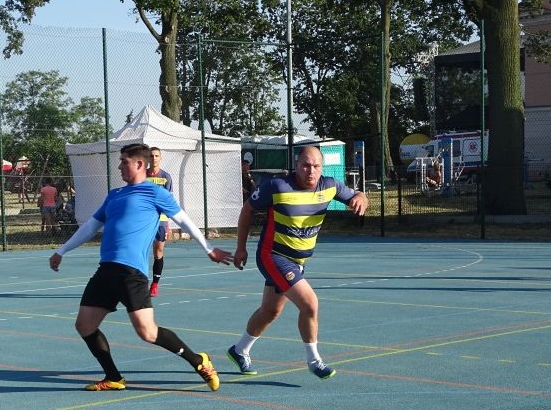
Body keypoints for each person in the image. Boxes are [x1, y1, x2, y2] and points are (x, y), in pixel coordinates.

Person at [49, 143, 233, 391]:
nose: (119, 166)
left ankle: (199, 361)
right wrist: (62, 250)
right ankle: (114, 377)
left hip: (131, 273)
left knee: (147, 332)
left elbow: (184, 220)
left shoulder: (156, 193)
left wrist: (208, 248)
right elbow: (91, 226)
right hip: (106, 271)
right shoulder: (114, 194)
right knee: (84, 325)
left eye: (124, 161)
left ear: (139, 164)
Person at [226, 146, 368, 379]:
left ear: (322, 168)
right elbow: (248, 210)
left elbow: (357, 195)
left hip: (297, 260)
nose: (311, 171)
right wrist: (240, 247)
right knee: (310, 304)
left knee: (270, 311)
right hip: (272, 255)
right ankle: (314, 361)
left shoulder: (330, 186)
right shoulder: (277, 186)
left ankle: (240, 350)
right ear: (296, 165)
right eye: (306, 165)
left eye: (316, 166)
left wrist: (361, 197)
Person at [145, 147, 173, 296]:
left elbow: (169, 202)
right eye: (151, 156)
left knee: (158, 251)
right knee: (141, 251)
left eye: (156, 156)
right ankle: (139, 283)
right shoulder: (141, 176)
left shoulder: (166, 177)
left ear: (160, 158)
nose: (154, 158)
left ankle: (155, 284)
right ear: (148, 158)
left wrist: (168, 224)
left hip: (161, 220)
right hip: (145, 220)